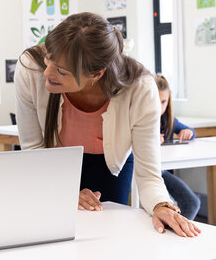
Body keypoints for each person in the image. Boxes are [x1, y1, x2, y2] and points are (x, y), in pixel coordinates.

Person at [14, 12, 200, 237]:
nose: (47, 73)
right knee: (53, 234)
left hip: (112, 166)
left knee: (109, 237)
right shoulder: (31, 69)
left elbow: (149, 174)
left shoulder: (139, 88)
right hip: (52, 167)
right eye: (48, 59)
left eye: (61, 71)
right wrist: (64, 190)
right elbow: (33, 149)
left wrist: (163, 206)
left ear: (96, 73)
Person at [155, 74, 201, 220]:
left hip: (163, 172)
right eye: (156, 101)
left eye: (164, 102)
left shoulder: (168, 120)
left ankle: (177, 233)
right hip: (151, 172)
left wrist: (187, 132)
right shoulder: (139, 119)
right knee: (189, 203)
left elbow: (191, 132)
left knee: (191, 203)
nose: (160, 107)